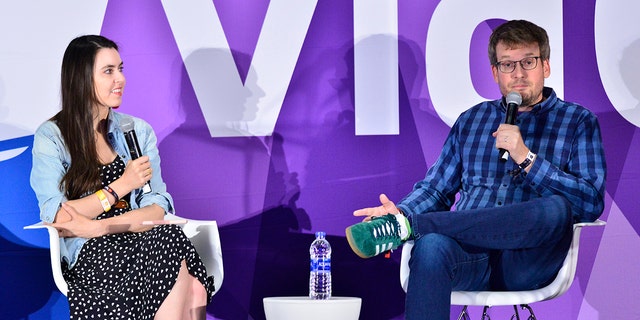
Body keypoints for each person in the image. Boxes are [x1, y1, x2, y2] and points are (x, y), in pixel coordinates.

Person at [345, 20, 606, 319]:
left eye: (528, 62)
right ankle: (406, 225)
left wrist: (526, 158)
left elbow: (590, 202)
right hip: (470, 256)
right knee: (430, 247)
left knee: (557, 209)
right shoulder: (471, 121)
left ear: (545, 66)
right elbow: (436, 189)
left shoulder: (577, 121)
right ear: (495, 73)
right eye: (508, 65)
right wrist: (401, 211)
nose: (519, 74)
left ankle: (409, 229)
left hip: (528, 262)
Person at [30, 35, 214, 320]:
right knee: (191, 285)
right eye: (108, 71)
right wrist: (122, 186)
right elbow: (60, 218)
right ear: (81, 78)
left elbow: (156, 208)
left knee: (172, 246)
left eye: (121, 69)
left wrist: (98, 226)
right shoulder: (52, 137)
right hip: (93, 254)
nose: (121, 79)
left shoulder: (137, 131)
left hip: (137, 237)